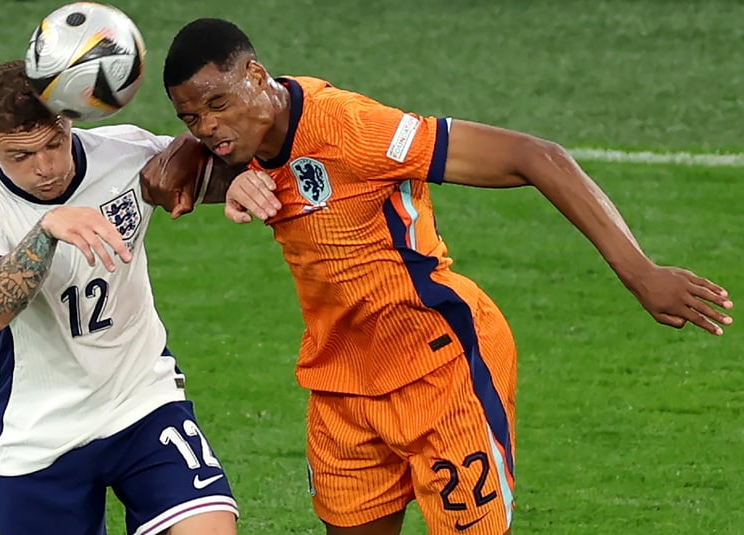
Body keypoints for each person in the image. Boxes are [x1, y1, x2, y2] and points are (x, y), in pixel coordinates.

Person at [147, 19, 734, 535]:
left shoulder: (355, 130)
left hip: (442, 368)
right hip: (340, 380)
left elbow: (538, 156)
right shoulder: (239, 131)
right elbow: (168, 174)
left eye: (217, 105)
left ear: (256, 74)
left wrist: (639, 272)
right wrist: (190, 151)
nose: (208, 126)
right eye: (190, 116)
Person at [0, 59, 240, 535]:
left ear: (70, 118)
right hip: (42, 432)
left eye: (54, 143)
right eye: (19, 155)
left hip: (142, 401)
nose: (45, 168)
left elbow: (226, 167)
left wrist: (243, 176)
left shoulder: (129, 154)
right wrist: (48, 228)